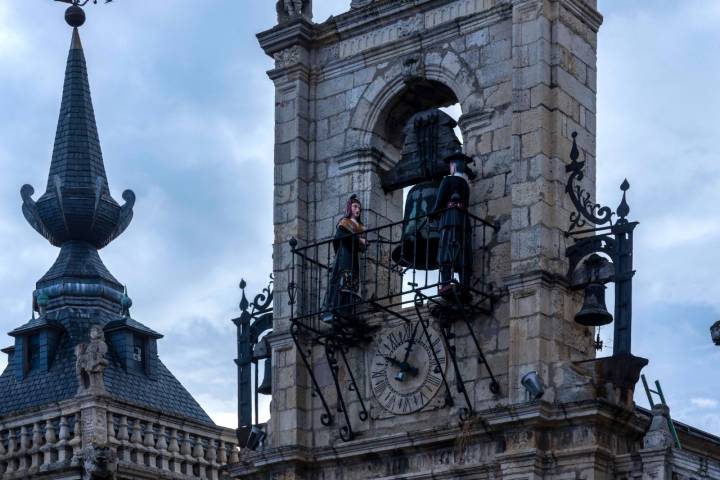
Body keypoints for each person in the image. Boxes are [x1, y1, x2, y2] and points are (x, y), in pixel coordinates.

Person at [430, 152, 476, 298]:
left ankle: (446, 283)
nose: (449, 168)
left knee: (446, 249)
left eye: (450, 165)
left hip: (450, 218)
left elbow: (439, 202)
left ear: (454, 165)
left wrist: (432, 214)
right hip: (463, 220)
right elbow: (466, 203)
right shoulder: (465, 185)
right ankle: (465, 284)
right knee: (463, 250)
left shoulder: (447, 181)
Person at [322, 194, 367, 323]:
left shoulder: (361, 227)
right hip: (344, 255)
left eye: (359, 207)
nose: (358, 209)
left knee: (351, 282)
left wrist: (362, 242)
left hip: (353, 257)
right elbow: (339, 237)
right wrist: (357, 239)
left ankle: (347, 309)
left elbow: (363, 246)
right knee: (342, 280)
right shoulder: (344, 223)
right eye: (355, 206)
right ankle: (336, 308)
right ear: (349, 208)